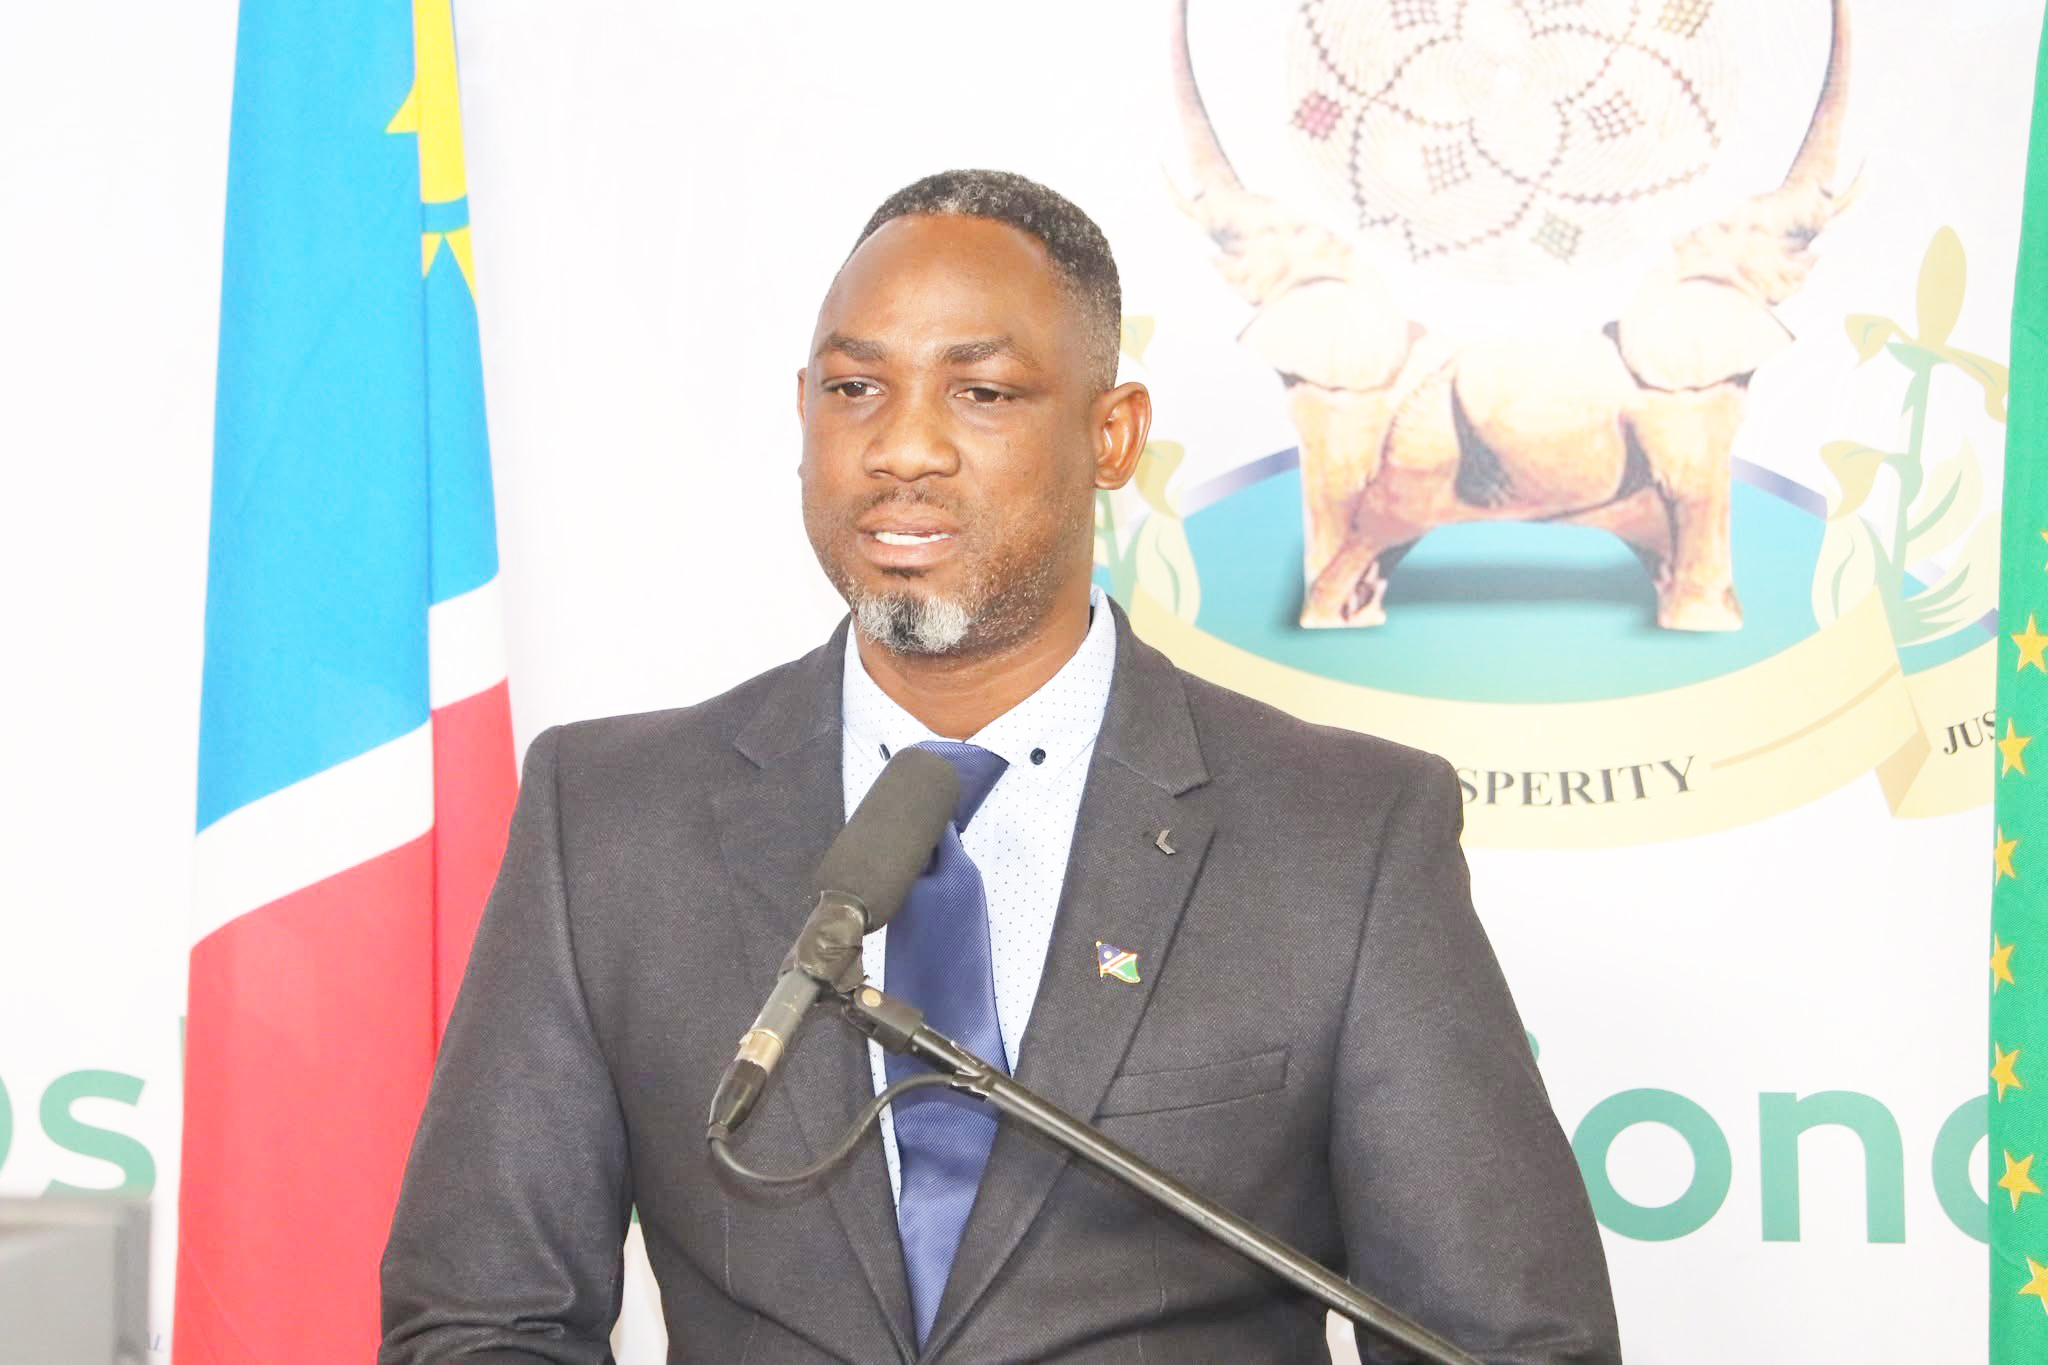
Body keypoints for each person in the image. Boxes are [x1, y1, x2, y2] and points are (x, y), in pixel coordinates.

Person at [380, 169, 1620, 1364]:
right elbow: (482, 1324)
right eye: (854, 389)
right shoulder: (608, 821)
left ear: (1112, 436)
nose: (902, 447)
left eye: (979, 393)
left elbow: (1509, 1344)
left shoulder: (1343, 835)